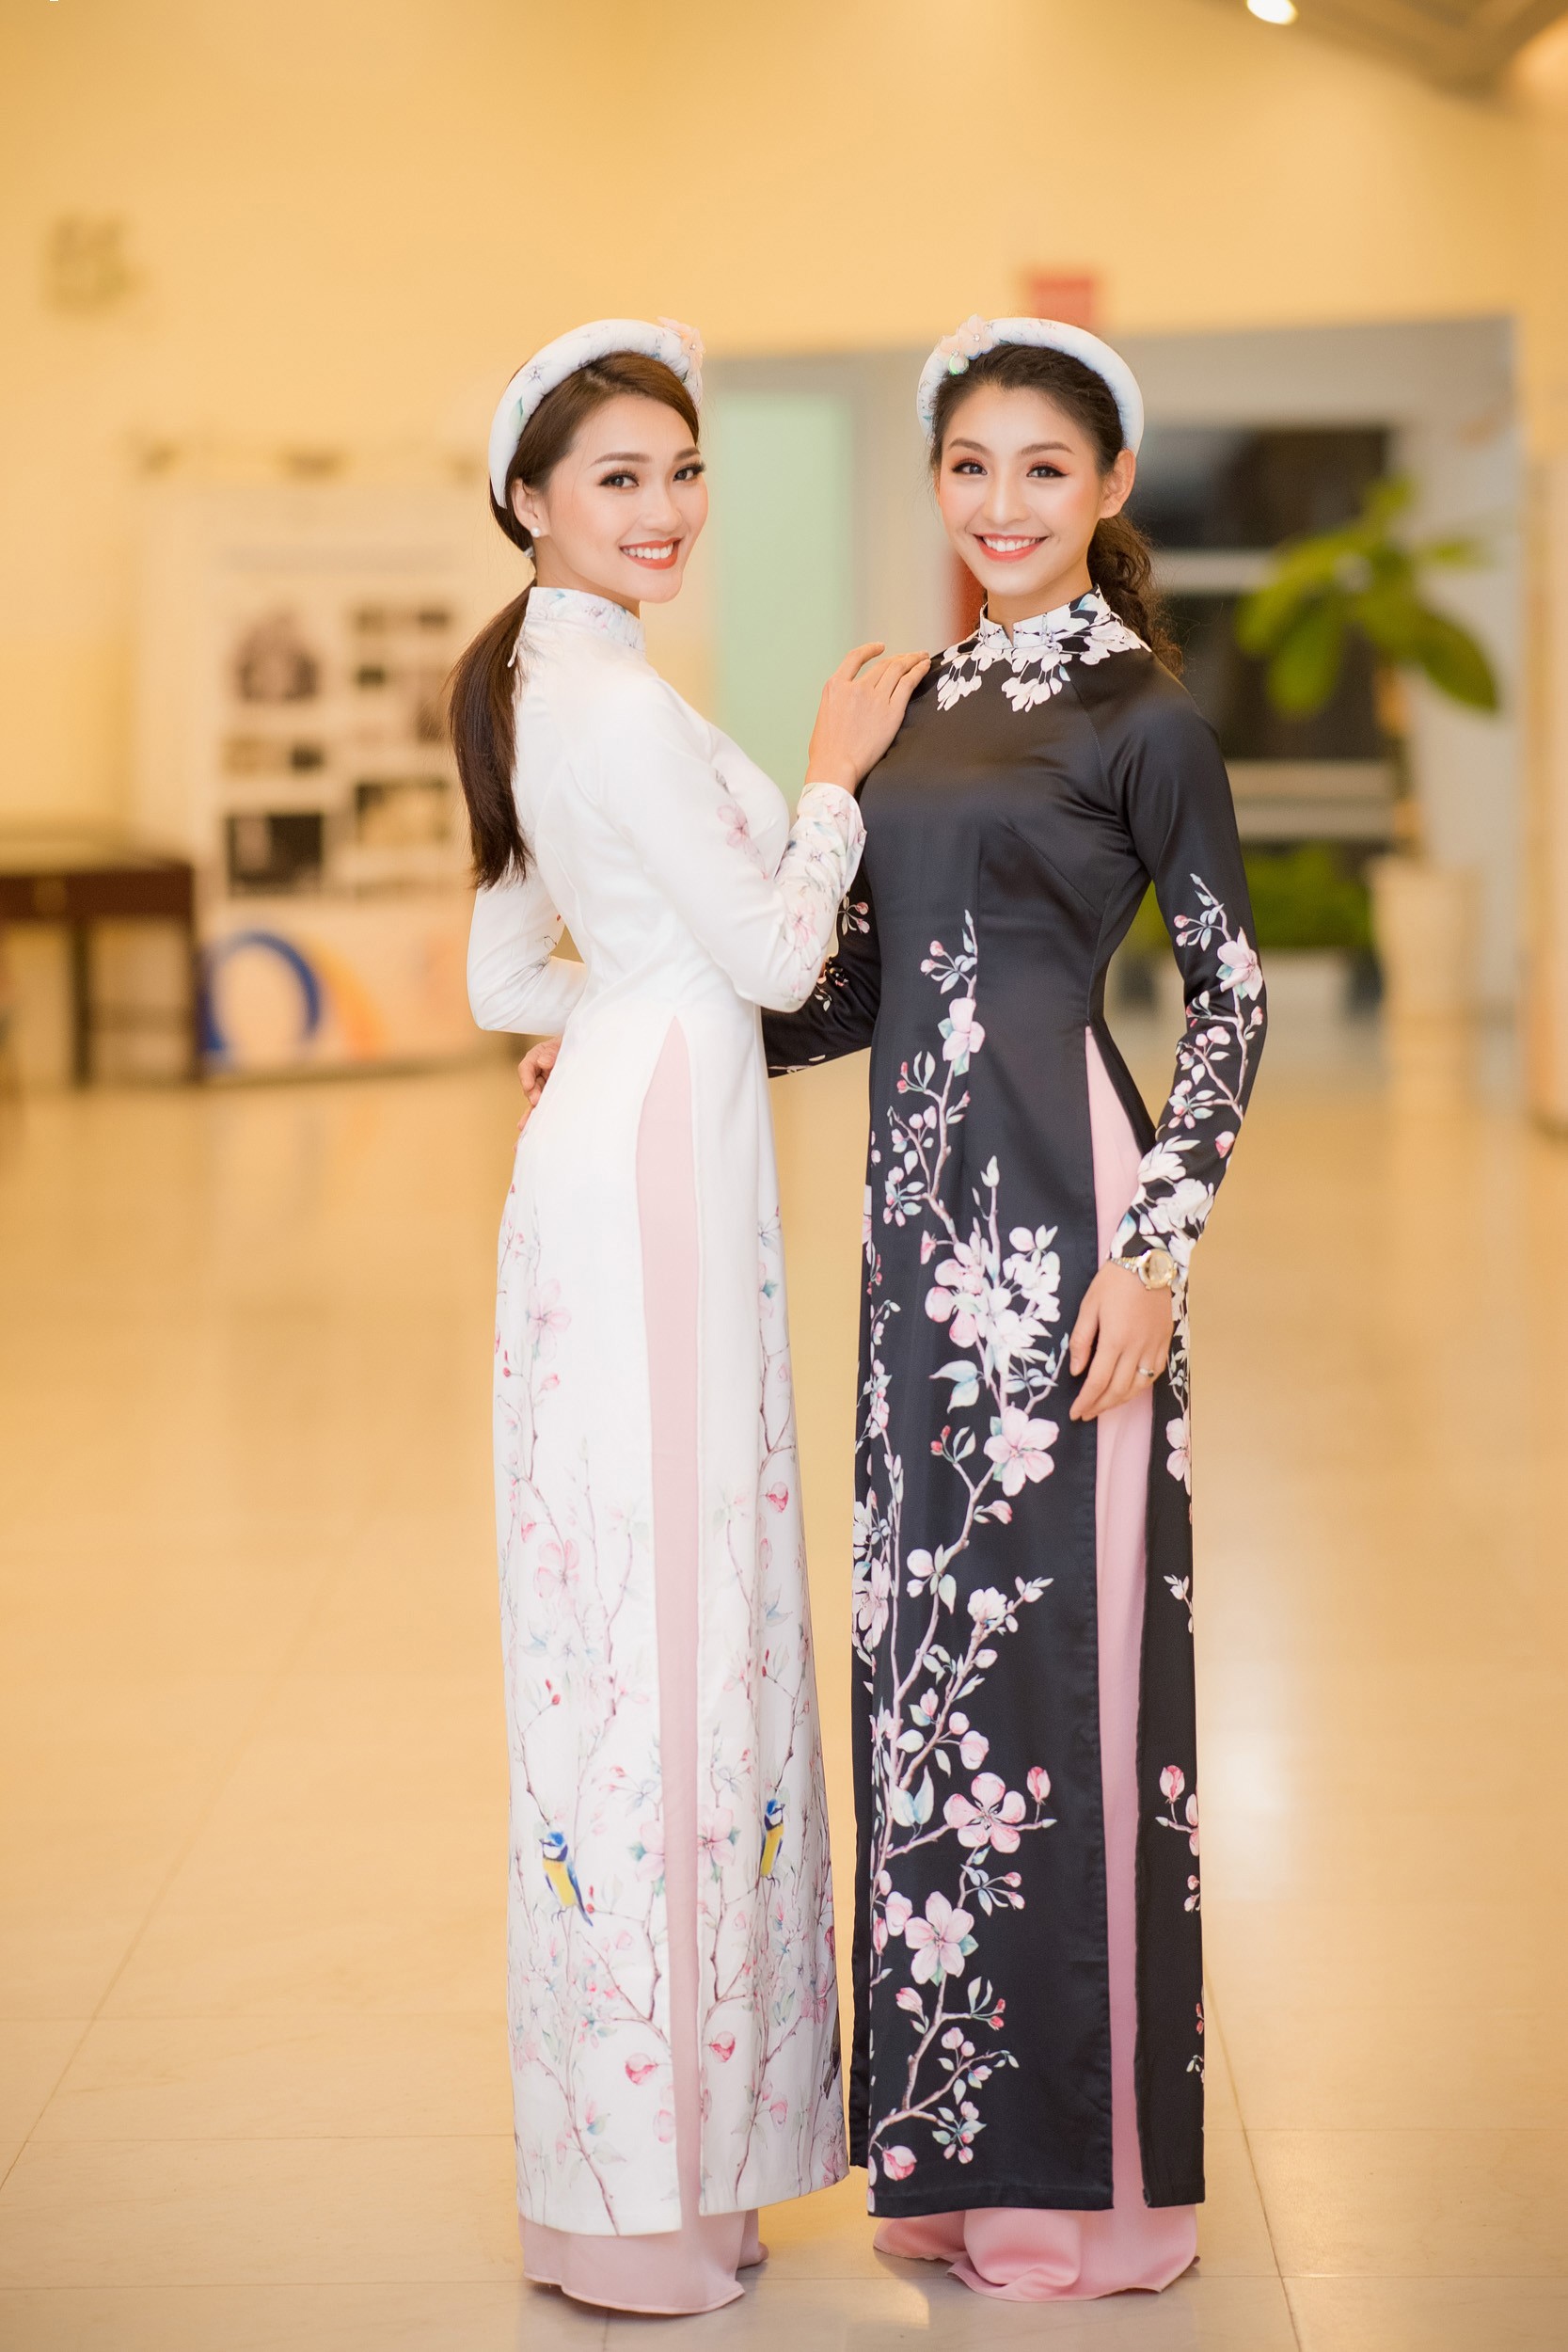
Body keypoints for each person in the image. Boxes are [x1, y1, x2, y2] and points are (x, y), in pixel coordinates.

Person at [756, 317, 1268, 2300]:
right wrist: (641, 1030)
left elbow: (1227, 997)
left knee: (1065, 1679)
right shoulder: (912, 698)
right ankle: (961, 2162)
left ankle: (1095, 2184)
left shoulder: (1143, 715)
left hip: (1067, 1237)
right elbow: (850, 992)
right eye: (970, 465)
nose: (1001, 502)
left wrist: (1158, 1248)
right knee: (938, 1686)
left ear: (1110, 484)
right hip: (918, 1254)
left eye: (1043, 467)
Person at [452, 316, 927, 2317]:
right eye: (619, 479)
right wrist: (832, 779)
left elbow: (504, 976)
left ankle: (658, 2174)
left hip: (613, 1150)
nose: (665, 510)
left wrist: (618, 1008)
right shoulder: (616, 701)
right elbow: (781, 949)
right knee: (671, 1642)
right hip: (654, 1176)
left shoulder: (541, 680)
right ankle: (659, 2192)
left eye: (682, 470)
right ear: (532, 503)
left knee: (639, 1633)